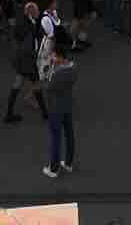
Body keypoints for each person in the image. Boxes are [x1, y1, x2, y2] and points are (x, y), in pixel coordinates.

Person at [41, 32, 77, 178]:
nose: (53, 57)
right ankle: (68, 163)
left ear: (60, 57)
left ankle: (53, 168)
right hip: (68, 104)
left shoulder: (56, 73)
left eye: (54, 55)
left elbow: (47, 87)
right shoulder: (74, 67)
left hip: (56, 108)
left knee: (56, 137)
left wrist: (47, 70)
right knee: (69, 134)